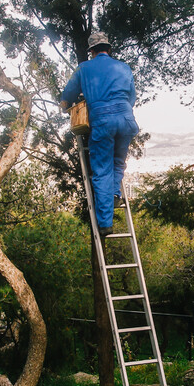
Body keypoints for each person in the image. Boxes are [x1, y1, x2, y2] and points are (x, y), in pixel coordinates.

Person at [60, 32, 139, 236]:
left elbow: (69, 92)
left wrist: (65, 104)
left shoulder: (84, 68)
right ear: (108, 49)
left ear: (92, 51)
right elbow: (132, 96)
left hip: (103, 121)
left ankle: (105, 223)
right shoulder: (123, 67)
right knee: (118, 162)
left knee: (102, 169)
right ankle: (114, 194)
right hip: (126, 119)